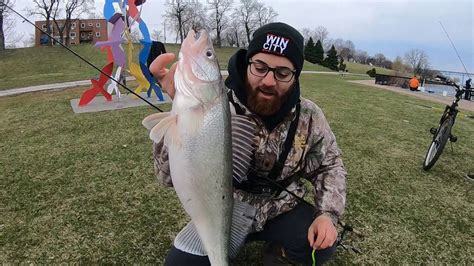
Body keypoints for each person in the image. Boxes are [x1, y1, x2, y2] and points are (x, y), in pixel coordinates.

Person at [149, 22, 347, 265]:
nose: (269, 81)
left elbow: (330, 166)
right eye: (260, 67)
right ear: (247, 64)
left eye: (282, 73)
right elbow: (165, 177)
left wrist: (327, 215)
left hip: (281, 208)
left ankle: (278, 252)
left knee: (322, 245)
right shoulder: (218, 105)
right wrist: (178, 117)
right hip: (225, 211)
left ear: (295, 76)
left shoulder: (309, 115)